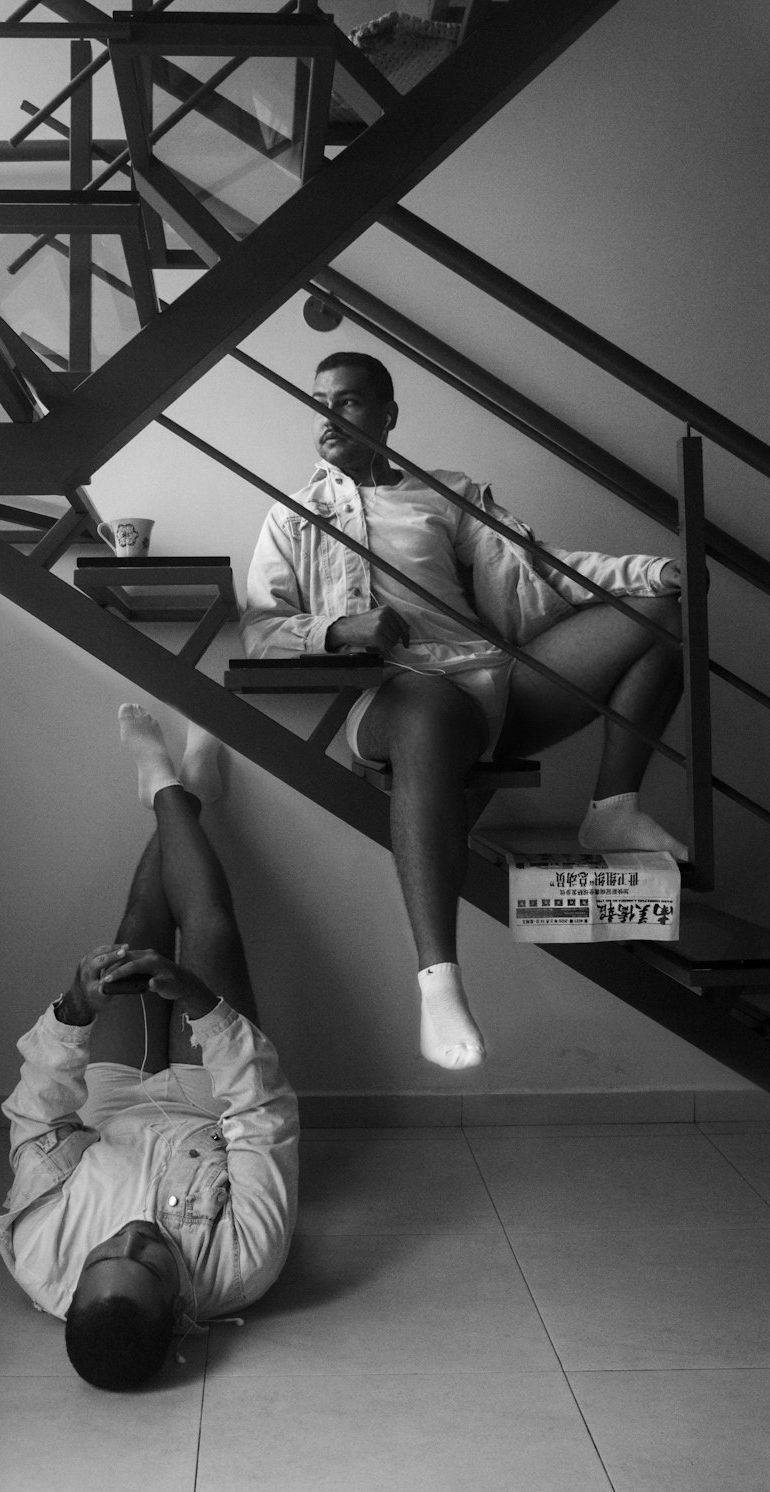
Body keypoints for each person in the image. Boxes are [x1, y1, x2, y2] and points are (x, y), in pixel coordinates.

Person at [242, 351, 686, 1071]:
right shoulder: (292, 514)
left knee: (660, 618)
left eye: (348, 401)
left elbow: (542, 565)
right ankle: (439, 980)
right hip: (396, 695)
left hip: (490, 681)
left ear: (388, 414)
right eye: (317, 399)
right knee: (428, 709)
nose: (327, 414)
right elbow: (260, 628)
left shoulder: (444, 494)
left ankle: (613, 807)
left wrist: (650, 570)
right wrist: (337, 628)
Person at [0, 705, 299, 1390]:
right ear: (182, 1315)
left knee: (133, 937)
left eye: (110, 1253)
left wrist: (75, 1010)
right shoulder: (244, 1265)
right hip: (212, 1106)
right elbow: (267, 1120)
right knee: (212, 932)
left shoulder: (40, 1254)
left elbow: (38, 1124)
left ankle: (178, 791)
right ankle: (171, 788)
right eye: (154, 1262)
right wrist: (202, 1008)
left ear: (73, 1291)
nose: (135, 1233)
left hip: (115, 1101)